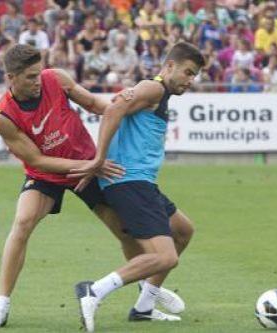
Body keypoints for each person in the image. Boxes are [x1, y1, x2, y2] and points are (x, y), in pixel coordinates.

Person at [0, 44, 193, 330]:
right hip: (50, 172)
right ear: (11, 78)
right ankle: (1, 306)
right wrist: (88, 166)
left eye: (39, 73)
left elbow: (93, 103)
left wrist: (124, 103)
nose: (38, 80)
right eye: (30, 77)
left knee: (126, 231)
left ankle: (145, 293)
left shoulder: (55, 78)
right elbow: (36, 159)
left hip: (88, 166)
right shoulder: (2, 115)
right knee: (23, 222)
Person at [70, 42, 204, 332]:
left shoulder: (154, 94)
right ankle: (94, 291)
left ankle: (144, 307)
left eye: (194, 76)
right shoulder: (153, 89)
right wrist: (99, 158)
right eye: (187, 72)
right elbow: (115, 109)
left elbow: (115, 106)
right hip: (130, 182)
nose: (190, 80)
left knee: (183, 230)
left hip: (141, 183)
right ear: (169, 66)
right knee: (165, 256)